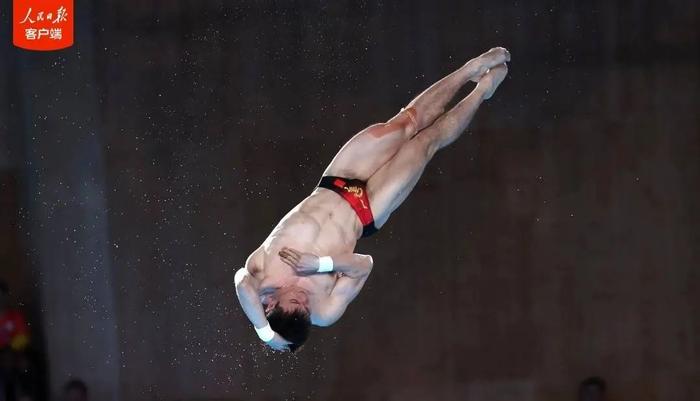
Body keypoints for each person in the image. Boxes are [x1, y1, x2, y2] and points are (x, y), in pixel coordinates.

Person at [235, 47, 511, 352]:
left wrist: (266, 335)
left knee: (406, 122)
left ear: (270, 307)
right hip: (366, 211)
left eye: (295, 305)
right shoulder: (324, 311)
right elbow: (364, 265)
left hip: (333, 182)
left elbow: (239, 283)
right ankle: (482, 92)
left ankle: (469, 70)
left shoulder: (259, 279)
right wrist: (320, 264)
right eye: (305, 311)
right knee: (425, 144)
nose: (304, 303)